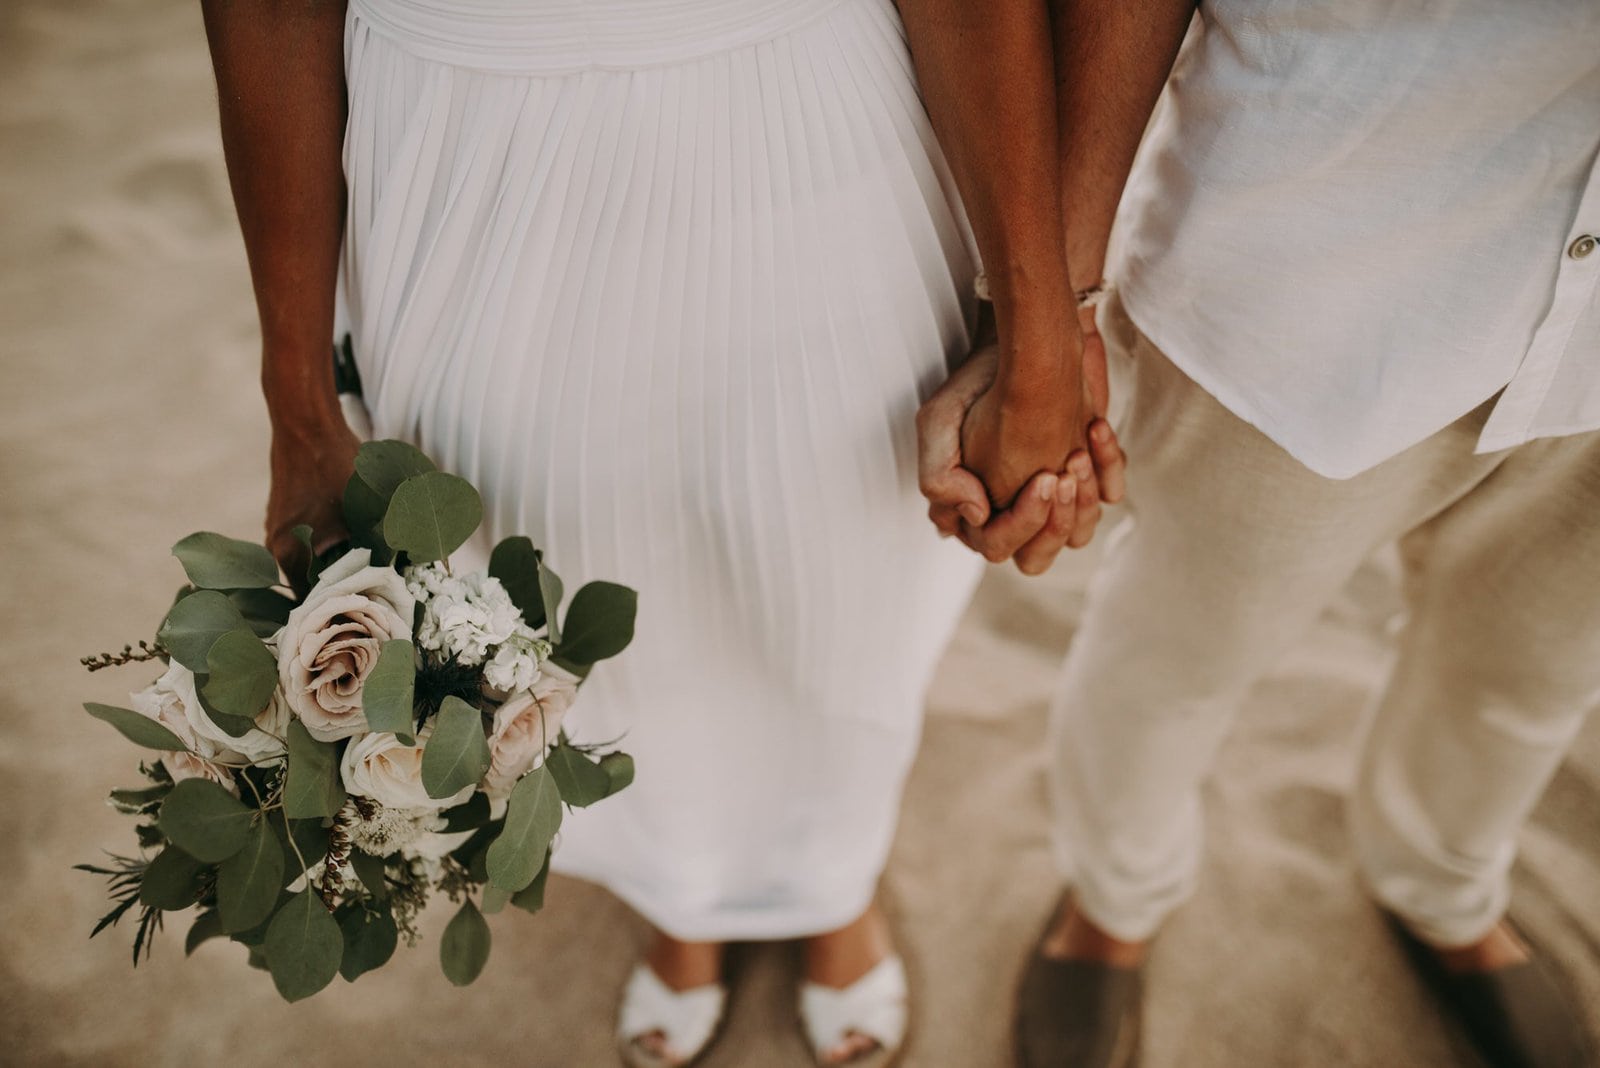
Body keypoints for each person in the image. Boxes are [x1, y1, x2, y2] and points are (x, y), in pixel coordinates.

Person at [198, 1, 1117, 1065]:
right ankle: (677, 894)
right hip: (468, 156)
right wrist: (298, 404)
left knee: (842, 583)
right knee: (544, 592)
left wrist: (1041, 319)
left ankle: (830, 882)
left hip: (801, 115)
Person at [920, 2, 1600, 1066]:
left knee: (1525, 679)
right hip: (1317, 271)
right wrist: (1057, 309)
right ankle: (1114, 898)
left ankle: (1443, 885)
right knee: (1179, 650)